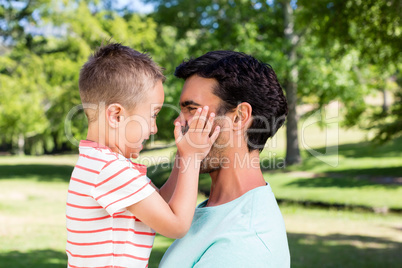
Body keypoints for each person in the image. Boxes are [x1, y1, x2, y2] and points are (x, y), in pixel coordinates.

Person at [65, 43, 220, 268]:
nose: (154, 128)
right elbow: (176, 226)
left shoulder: (100, 163)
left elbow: (161, 204)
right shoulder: (111, 170)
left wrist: (183, 154)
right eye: (152, 115)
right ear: (116, 115)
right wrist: (191, 159)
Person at [159, 51, 290, 267]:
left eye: (192, 109)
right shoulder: (213, 210)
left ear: (239, 117)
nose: (178, 122)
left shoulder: (246, 243)